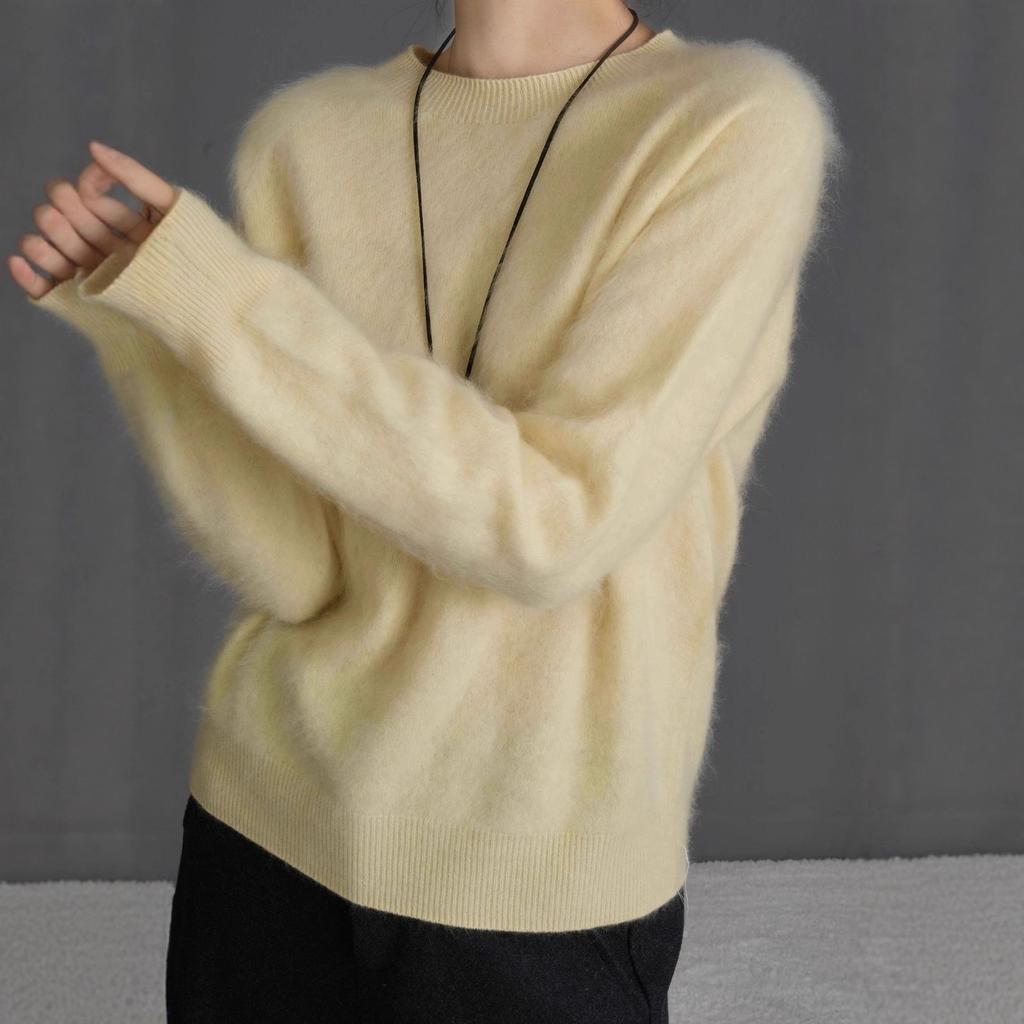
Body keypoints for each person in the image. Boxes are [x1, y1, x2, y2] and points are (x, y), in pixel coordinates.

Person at [11, 0, 842, 1020]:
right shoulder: (306, 136)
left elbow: (557, 526)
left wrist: (222, 303)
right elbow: (297, 568)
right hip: (269, 826)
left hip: (532, 879)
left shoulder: (727, 121)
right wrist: (150, 330)